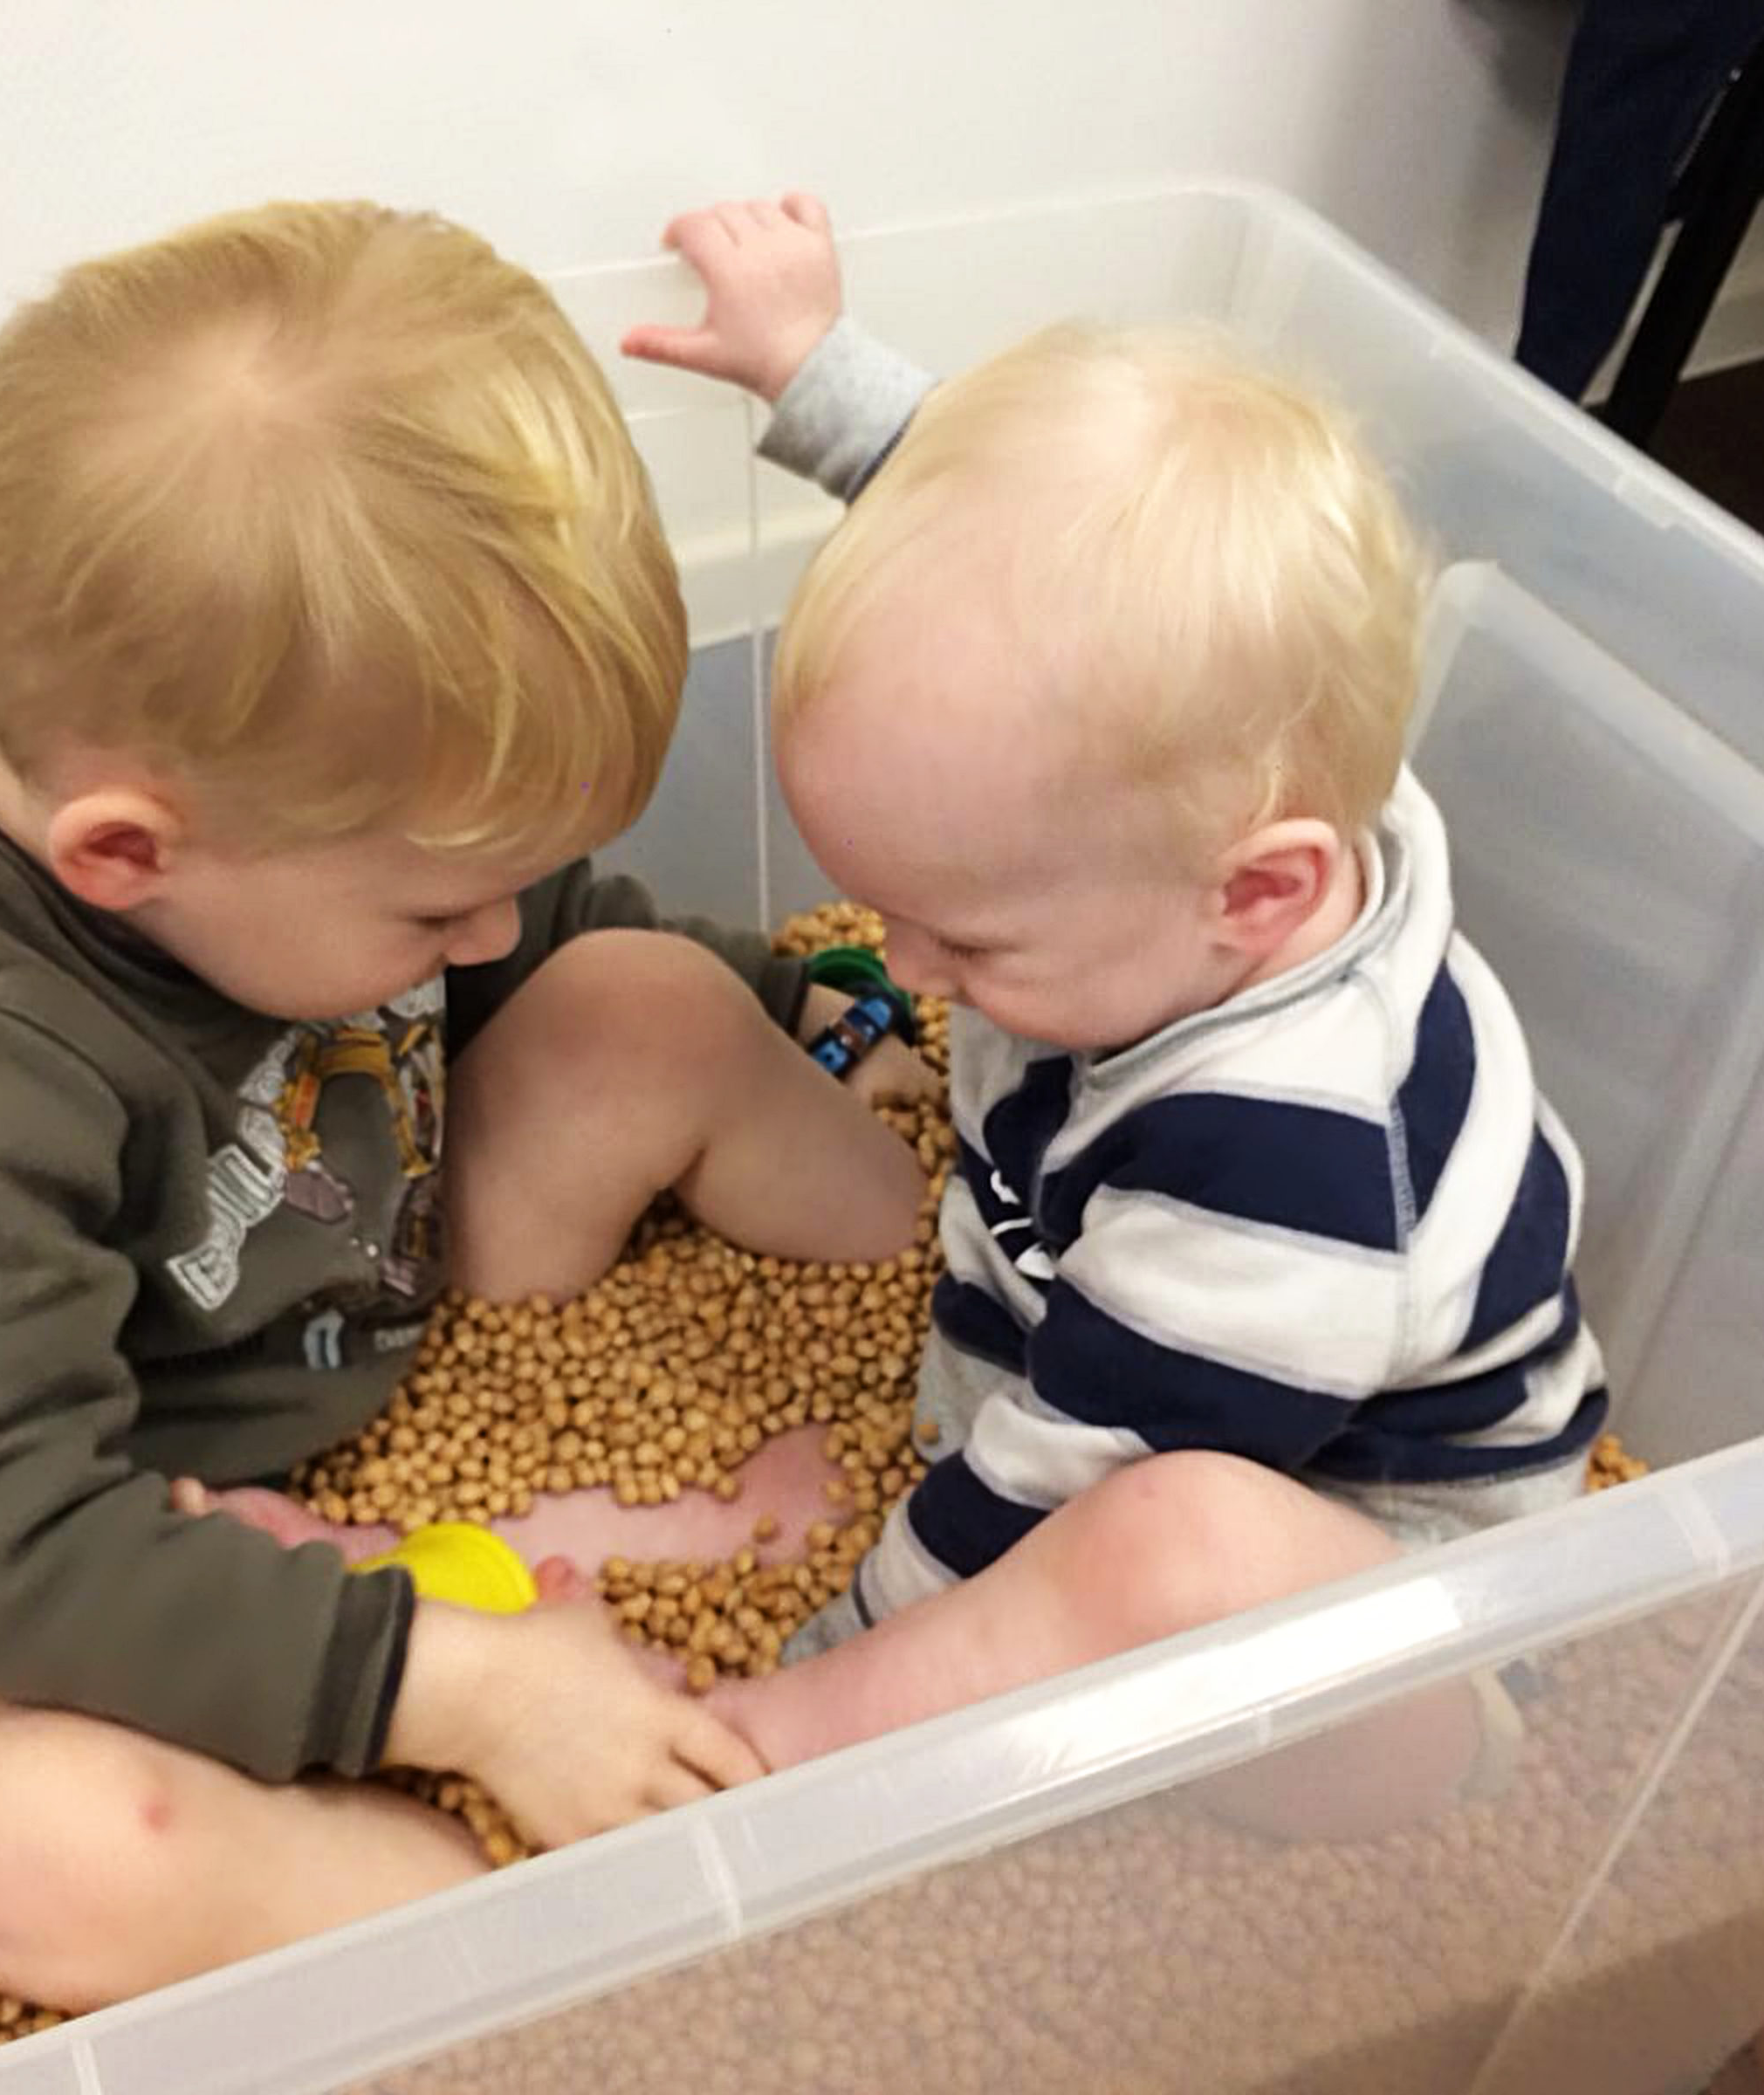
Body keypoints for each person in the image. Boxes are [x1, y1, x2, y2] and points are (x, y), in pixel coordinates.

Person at [0, 199, 930, 2011]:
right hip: (46, 1585)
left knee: (648, 997)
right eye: (434, 912)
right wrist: (471, 1693)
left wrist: (791, 998)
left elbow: (531, 918)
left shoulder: (269, 799)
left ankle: (968, 1319)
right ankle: (531, 1961)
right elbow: (8, 1552)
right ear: (125, 854)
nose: (487, 938)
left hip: (352, 1318)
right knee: (52, 1854)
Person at [617, 195, 1610, 1806]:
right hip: (1144, 1363)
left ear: (1258, 893)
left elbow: (1065, 1494)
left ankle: (767, 1773)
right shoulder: (1198, 794)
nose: (904, 972)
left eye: (967, 943)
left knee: (1164, 1540)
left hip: (1394, 1631)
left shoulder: (1286, 1166)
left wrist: (844, 1664)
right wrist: (814, 370)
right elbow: (1007, 561)